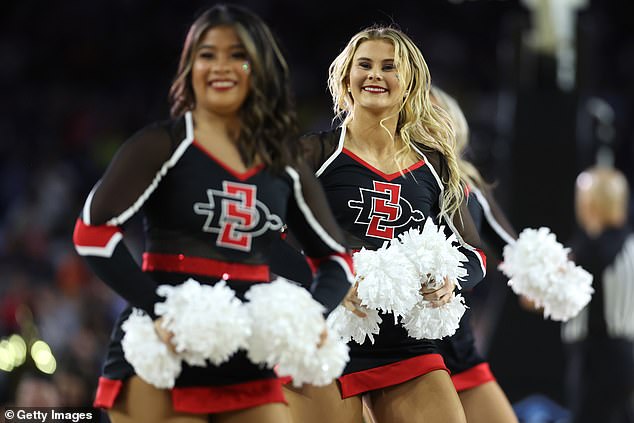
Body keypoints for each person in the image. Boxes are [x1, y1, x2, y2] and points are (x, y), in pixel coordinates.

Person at [72, 5, 354, 423]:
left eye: (236, 55)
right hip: (164, 348)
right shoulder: (161, 146)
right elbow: (92, 233)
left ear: (260, 68)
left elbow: (336, 260)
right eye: (207, 54)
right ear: (190, 67)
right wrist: (158, 308)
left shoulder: (284, 165)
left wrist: (308, 316)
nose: (220, 66)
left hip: (248, 352)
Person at [282, 26, 487, 423]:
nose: (375, 74)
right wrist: (329, 278)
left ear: (409, 84)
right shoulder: (311, 153)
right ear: (346, 77)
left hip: (408, 343)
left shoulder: (436, 165)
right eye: (365, 65)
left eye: (389, 67)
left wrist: (450, 281)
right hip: (324, 334)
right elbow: (265, 239)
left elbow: (473, 253)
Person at [431, 87, 519, 423]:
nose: (430, 123)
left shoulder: (469, 186)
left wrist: (543, 279)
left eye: (438, 115)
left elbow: (509, 246)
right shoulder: (387, 177)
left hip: (458, 344)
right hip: (402, 348)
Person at [562, 166, 634, 423]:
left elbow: (537, 301)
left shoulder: (577, 255)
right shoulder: (630, 249)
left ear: (589, 203)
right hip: (626, 357)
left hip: (594, 360)